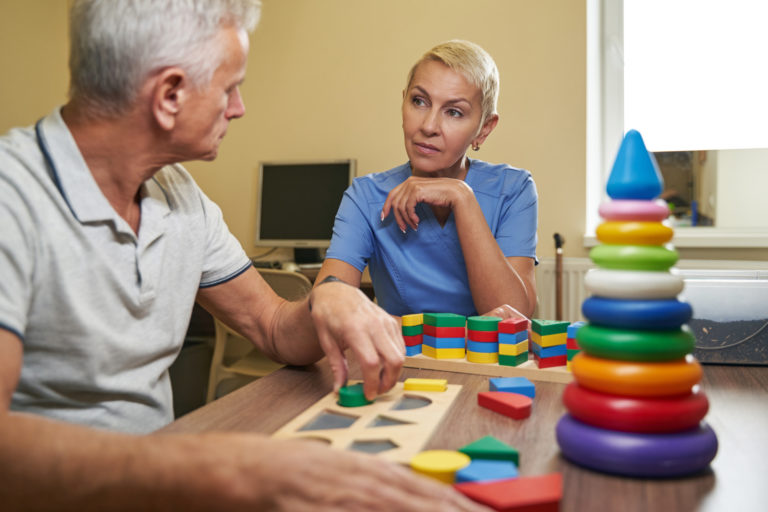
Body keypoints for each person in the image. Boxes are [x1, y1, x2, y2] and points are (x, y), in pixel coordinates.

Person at [0, 2, 488, 510]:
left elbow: (274, 326)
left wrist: (328, 299)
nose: (238, 108)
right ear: (169, 95)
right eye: (230, 87)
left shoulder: (180, 196)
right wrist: (217, 467)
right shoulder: (11, 195)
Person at [316, 40, 538, 320]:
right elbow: (328, 308)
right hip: (401, 361)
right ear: (403, 103)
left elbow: (515, 317)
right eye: (419, 101)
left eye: (454, 112)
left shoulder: (513, 190)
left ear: (483, 130)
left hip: (485, 364)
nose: (428, 126)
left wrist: (463, 197)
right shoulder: (365, 197)